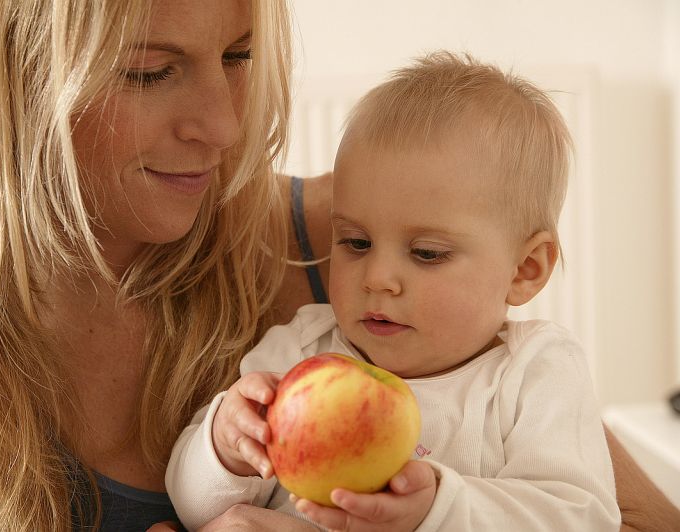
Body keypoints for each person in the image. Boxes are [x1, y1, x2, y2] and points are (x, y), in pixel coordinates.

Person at [0, 1, 676, 531]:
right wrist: (227, 447)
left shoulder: (368, 252)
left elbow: (596, 516)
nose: (228, 127)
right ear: (4, 86)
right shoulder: (312, 338)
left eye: (238, 54)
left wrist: (439, 507)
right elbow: (204, 492)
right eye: (151, 71)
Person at [166, 52, 622, 531]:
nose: (377, 277)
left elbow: (582, 518)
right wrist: (224, 446)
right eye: (355, 242)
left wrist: (438, 510)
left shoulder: (533, 371)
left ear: (525, 270)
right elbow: (196, 508)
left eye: (427, 253)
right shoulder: (299, 350)